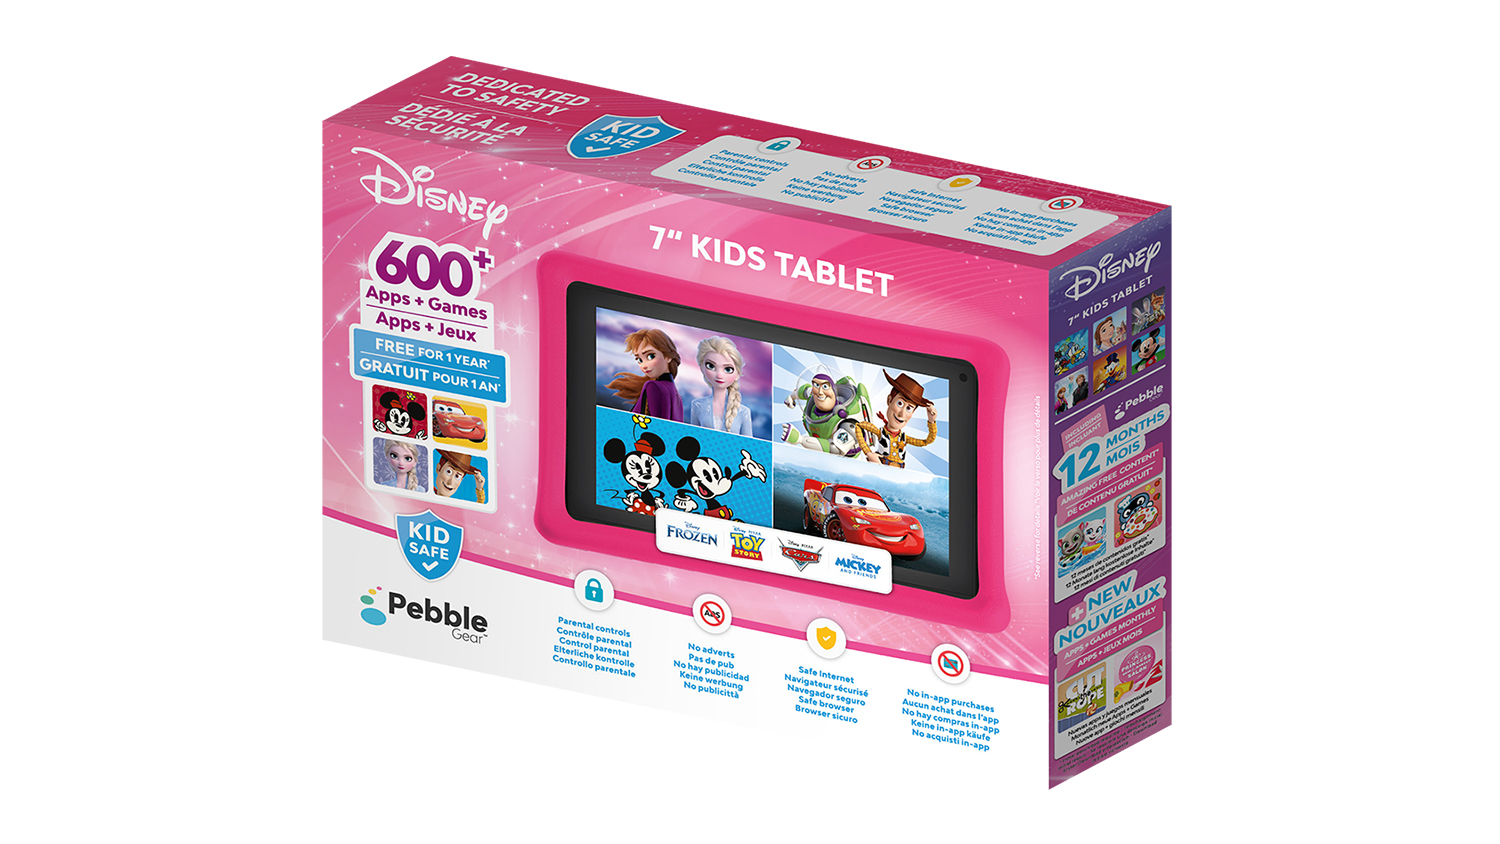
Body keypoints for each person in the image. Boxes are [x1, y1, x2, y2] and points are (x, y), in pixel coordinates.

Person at [854, 370, 938, 469]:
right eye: (900, 403)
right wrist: (868, 453)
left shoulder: (904, 438)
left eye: (909, 408)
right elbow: (858, 426)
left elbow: (927, 441)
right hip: (880, 469)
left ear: (912, 413)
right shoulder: (880, 432)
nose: (902, 414)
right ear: (889, 400)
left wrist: (931, 421)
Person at [607, 328, 684, 422]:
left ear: (668, 356)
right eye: (639, 360)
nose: (644, 366)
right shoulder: (677, 397)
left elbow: (656, 425)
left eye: (651, 356)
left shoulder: (653, 386)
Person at [686, 336, 752, 437]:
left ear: (737, 374)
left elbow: (749, 444)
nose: (719, 375)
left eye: (728, 369)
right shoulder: (698, 405)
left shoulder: (743, 412)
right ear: (702, 368)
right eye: (711, 366)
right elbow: (693, 437)